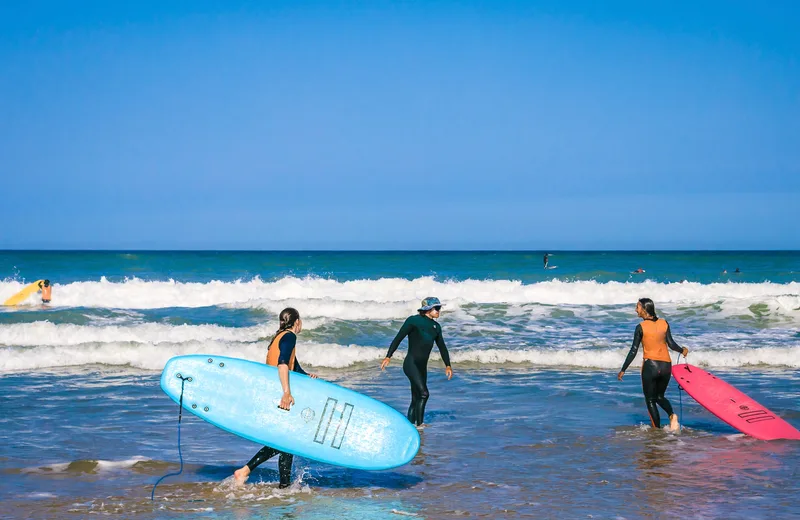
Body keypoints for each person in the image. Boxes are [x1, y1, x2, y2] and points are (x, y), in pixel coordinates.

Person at [233, 308, 317, 487]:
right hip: (279, 394)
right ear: (296, 322)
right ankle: (246, 471)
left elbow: (293, 365)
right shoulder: (289, 336)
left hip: (271, 393)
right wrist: (287, 392)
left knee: (286, 440)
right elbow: (282, 363)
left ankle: (284, 486)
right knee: (286, 441)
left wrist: (306, 375)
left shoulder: (279, 337)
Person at [617, 298, 689, 431]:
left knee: (650, 399)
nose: (635, 310)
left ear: (644, 309)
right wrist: (682, 350)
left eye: (637, 307)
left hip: (651, 366)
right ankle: (672, 415)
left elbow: (633, 350)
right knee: (660, 396)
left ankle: (656, 431)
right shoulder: (664, 323)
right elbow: (671, 344)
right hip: (666, 366)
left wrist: (623, 369)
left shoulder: (641, 327)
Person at [381, 297, 453, 428]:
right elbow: (398, 338)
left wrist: (448, 365)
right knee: (424, 393)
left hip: (422, 367)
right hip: (411, 364)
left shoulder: (436, 327)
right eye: (436, 308)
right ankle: (420, 426)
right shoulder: (413, 321)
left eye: (439, 308)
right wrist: (388, 356)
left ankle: (411, 426)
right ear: (428, 309)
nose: (439, 311)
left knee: (416, 398)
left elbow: (442, 347)